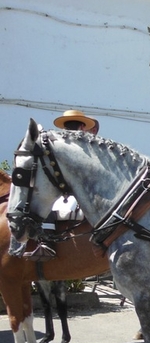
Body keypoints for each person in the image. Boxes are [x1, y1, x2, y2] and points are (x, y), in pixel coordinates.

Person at [23, 110, 101, 261]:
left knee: (44, 204)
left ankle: (47, 243)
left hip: (74, 189)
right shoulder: (84, 145)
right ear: (82, 126)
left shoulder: (60, 144)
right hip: (82, 188)